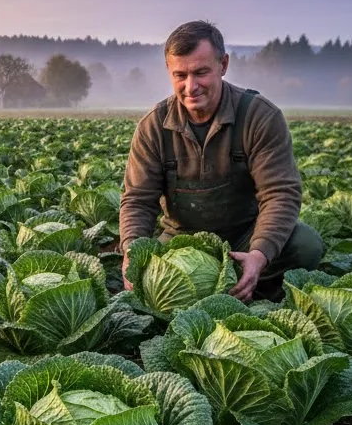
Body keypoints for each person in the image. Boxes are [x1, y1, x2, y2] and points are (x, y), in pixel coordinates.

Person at [119, 20, 324, 301]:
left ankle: (254, 294)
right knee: (149, 281)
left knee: (305, 245)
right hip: (181, 242)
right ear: (169, 71)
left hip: (244, 236)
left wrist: (259, 254)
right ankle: (199, 302)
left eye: (200, 72)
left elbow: (280, 193)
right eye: (180, 75)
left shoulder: (259, 116)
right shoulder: (154, 126)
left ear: (223, 65)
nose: (190, 86)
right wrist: (131, 249)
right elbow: (138, 200)